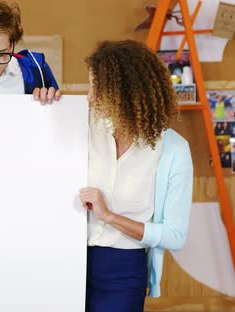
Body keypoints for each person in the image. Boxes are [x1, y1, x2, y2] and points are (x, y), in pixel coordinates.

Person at [79, 40, 193, 311]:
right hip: (66, 258)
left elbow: (174, 236)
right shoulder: (83, 126)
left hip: (122, 270)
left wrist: (109, 216)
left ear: (124, 93)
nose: (90, 97)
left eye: (97, 88)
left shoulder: (173, 150)